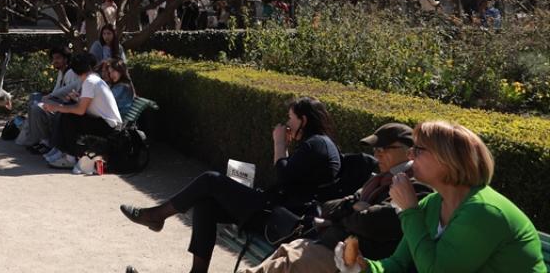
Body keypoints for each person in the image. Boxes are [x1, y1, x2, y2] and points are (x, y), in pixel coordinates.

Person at [121, 97, 341, 273]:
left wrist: (279, 143)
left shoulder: (316, 144)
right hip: (279, 214)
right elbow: (291, 179)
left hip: (283, 220)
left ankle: (157, 215)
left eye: (290, 118)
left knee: (210, 179)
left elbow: (283, 177)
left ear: (303, 120)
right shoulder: (320, 144)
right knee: (206, 204)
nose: (287, 123)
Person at [337, 120, 545, 273]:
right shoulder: (433, 204)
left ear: (448, 159)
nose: (410, 155)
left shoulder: (484, 211)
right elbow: (398, 264)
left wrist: (409, 211)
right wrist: (363, 268)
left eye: (418, 150)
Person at [244, 122, 430, 273]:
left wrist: (346, 213)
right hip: (329, 245)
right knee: (284, 252)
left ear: (408, 150)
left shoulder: (414, 187)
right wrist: (354, 207)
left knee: (281, 266)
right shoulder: (378, 180)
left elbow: (372, 223)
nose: (376, 154)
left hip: (349, 258)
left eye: (383, 148)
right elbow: (328, 207)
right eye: (375, 149)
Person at [39, 51, 123, 172]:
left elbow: (80, 110)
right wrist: (76, 99)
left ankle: (70, 157)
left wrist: (56, 107)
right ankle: (63, 152)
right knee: (67, 110)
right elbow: (87, 105)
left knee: (68, 116)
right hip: (108, 125)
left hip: (109, 129)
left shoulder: (90, 81)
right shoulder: (93, 79)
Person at [14, 46, 81, 152]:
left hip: (65, 108)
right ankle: (35, 138)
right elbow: (55, 92)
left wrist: (47, 101)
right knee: (33, 100)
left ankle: (46, 142)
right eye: (53, 58)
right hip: (58, 103)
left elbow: (68, 96)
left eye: (58, 58)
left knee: (37, 108)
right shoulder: (61, 72)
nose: (55, 61)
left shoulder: (71, 73)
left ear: (66, 59)